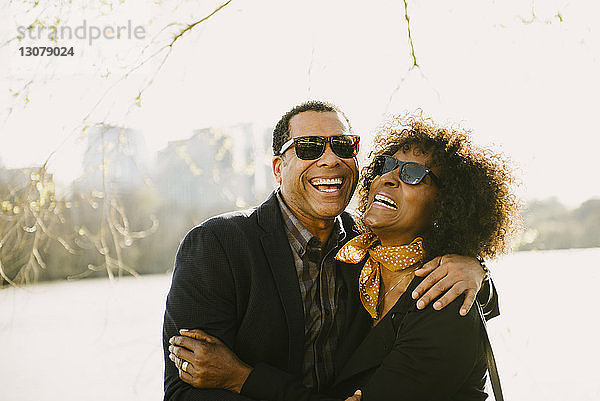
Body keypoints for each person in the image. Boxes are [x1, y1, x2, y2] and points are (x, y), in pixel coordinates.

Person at [163, 102, 499, 401]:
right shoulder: (216, 245)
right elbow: (188, 390)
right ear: (279, 168)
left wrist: (476, 269)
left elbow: (452, 309)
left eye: (343, 146)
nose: (330, 159)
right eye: (308, 148)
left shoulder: (368, 248)